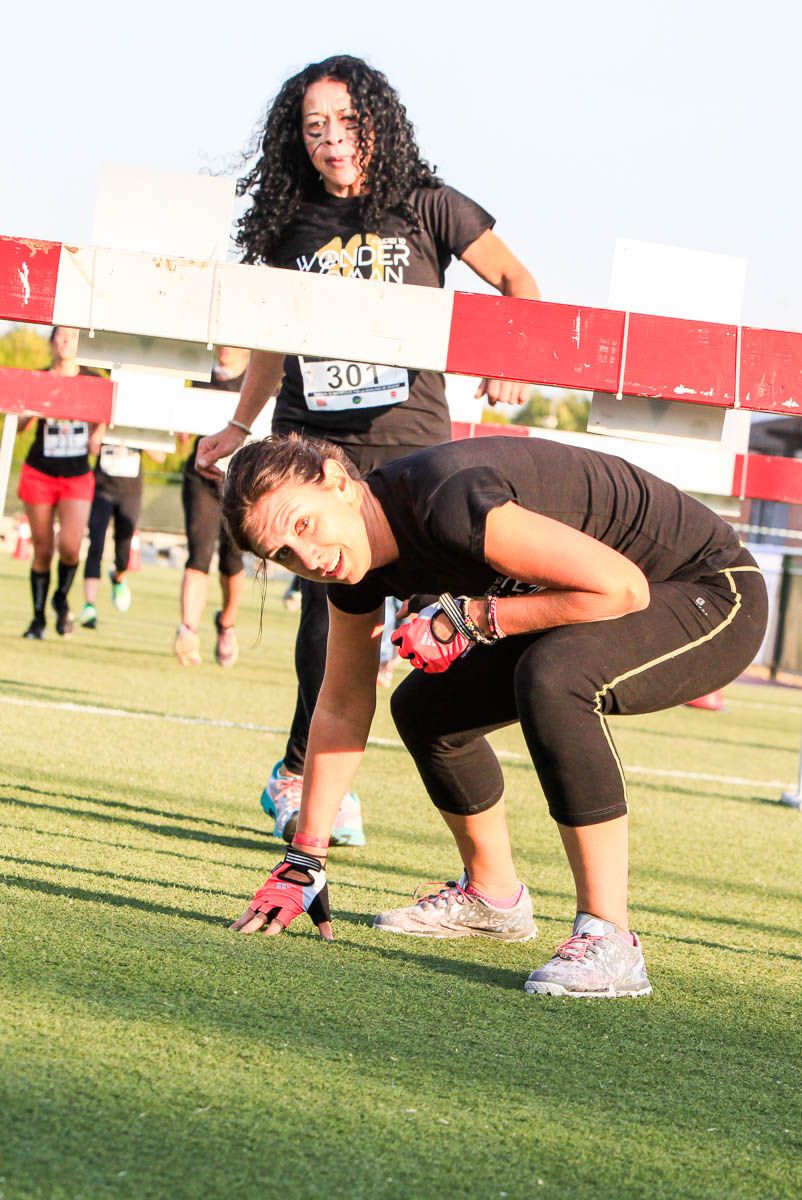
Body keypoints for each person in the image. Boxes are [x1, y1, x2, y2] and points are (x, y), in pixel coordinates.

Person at [220, 431, 768, 999]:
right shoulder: (354, 564)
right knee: (426, 708)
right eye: (282, 554)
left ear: (339, 482)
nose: (307, 558)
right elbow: (341, 701)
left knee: (555, 678)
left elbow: (623, 589)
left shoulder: (447, 499)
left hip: (709, 591)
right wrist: (304, 858)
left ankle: (611, 939)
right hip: (610, 595)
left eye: (303, 525)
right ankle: (494, 897)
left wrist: (473, 619)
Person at [196, 54, 539, 846]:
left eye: (345, 122)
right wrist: (242, 428)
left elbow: (522, 284)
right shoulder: (293, 222)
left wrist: (513, 360)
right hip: (317, 443)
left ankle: (464, 793)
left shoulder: (429, 206)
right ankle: (301, 779)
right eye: (314, 128)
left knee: (443, 613)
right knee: (331, 615)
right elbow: (273, 343)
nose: (332, 140)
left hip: (413, 447)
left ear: (376, 121)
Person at [17, 326, 104, 639]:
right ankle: (37, 619)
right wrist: (30, 409)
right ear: (52, 341)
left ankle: (61, 598)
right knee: (42, 549)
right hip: (40, 471)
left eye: (74, 337)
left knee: (69, 546)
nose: (67, 342)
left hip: (77, 475)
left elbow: (104, 418)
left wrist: (98, 436)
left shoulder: (93, 381)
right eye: (62, 336)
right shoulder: (39, 378)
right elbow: (18, 425)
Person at [175, 346, 251, 667]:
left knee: (232, 561)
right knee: (199, 553)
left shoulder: (256, 381)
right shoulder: (199, 376)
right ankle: (188, 631)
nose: (224, 348)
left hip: (242, 479)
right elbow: (179, 424)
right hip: (201, 475)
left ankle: (226, 625)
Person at [80, 442, 163, 628]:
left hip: (130, 492)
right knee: (96, 545)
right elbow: (91, 446)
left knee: (124, 551)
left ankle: (118, 577)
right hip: (102, 488)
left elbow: (160, 456)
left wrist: (138, 437)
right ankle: (89, 605)